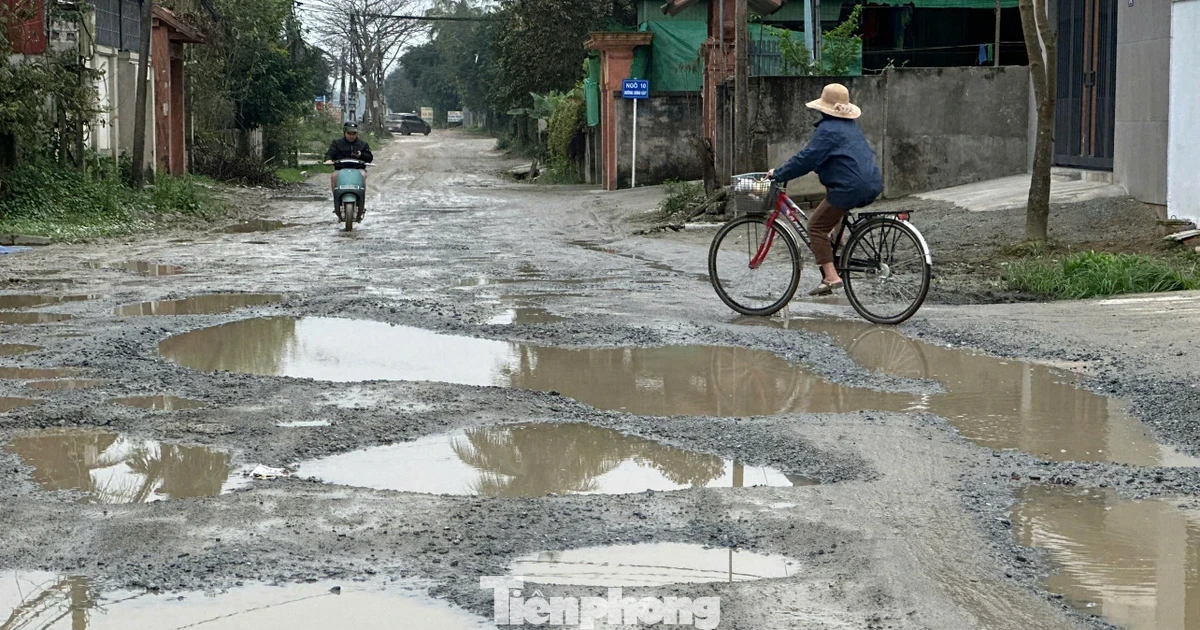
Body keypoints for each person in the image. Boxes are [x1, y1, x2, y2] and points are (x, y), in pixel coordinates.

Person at [768, 83, 883, 296]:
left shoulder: (828, 130)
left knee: (816, 227)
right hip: (871, 183)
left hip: (849, 188)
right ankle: (839, 252)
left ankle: (831, 276)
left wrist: (779, 173)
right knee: (833, 212)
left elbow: (806, 159)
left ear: (823, 108)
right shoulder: (851, 128)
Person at [325, 122, 374, 213]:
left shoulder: (363, 144)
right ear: (344, 132)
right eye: (349, 133)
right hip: (340, 169)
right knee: (333, 176)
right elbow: (330, 154)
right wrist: (328, 160)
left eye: (354, 133)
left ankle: (360, 200)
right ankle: (337, 199)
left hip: (357, 169)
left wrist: (360, 155)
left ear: (357, 133)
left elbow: (370, 158)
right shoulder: (337, 143)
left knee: (362, 175)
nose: (351, 136)